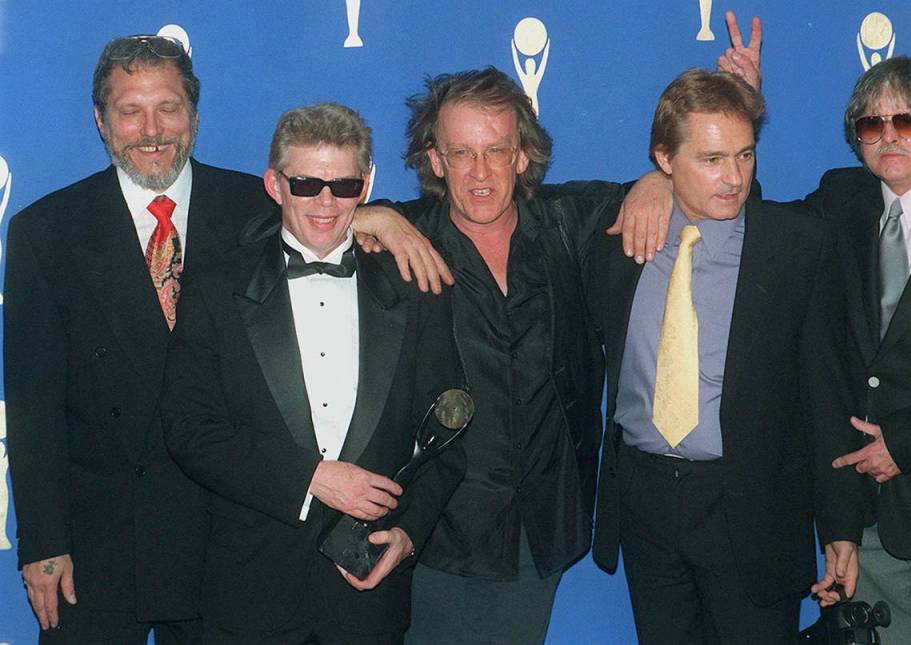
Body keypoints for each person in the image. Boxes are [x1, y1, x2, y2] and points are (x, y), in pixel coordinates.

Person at [720, 15, 911, 644]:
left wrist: (904, 447)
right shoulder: (841, 200)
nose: (888, 136)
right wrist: (743, 106)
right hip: (859, 523)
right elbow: (756, 233)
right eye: (870, 124)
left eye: (906, 121)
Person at [159, 102, 467, 644]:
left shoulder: (415, 291)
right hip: (248, 594)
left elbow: (446, 437)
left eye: (343, 185)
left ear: (366, 185)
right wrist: (311, 478)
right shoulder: (215, 289)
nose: (325, 202)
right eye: (306, 184)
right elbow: (190, 429)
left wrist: (408, 533)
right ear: (274, 185)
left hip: (368, 598)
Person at [3, 34, 269, 643]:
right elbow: (33, 404)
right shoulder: (45, 232)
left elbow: (336, 212)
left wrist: (378, 215)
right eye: (131, 110)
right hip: (98, 545)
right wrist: (43, 542)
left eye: (168, 108)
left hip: (226, 537)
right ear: (101, 120)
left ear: (195, 116)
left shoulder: (256, 210)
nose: (152, 130)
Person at [351, 67, 632, 644]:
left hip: (540, 530)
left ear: (522, 156)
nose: (480, 174)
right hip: (434, 531)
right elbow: (267, 237)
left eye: (496, 151)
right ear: (435, 160)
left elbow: (700, 187)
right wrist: (368, 215)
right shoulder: (401, 241)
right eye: (461, 152)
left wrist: (656, 184)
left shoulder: (566, 225)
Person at [588, 68, 861, 644]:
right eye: (711, 160)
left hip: (753, 510)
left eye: (744, 155)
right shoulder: (619, 241)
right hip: (645, 500)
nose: (733, 178)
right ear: (664, 159)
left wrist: (842, 526)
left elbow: (826, 393)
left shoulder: (798, 246)